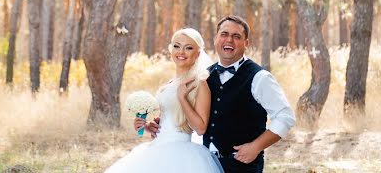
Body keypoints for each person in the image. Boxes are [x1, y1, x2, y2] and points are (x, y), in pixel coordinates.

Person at [104, 28, 223, 173]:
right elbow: (168, 120)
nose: (181, 52)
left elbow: (200, 128)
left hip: (180, 151)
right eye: (176, 46)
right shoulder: (169, 83)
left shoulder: (199, 84)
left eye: (189, 48)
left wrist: (182, 98)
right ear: (170, 49)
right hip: (157, 147)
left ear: (197, 54)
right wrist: (147, 126)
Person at [201, 15, 296, 173]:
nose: (229, 40)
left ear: (246, 43)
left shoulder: (259, 77)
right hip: (206, 164)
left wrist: (256, 146)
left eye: (236, 36)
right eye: (224, 34)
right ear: (215, 38)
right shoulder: (204, 76)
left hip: (243, 166)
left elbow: (285, 116)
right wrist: (159, 124)